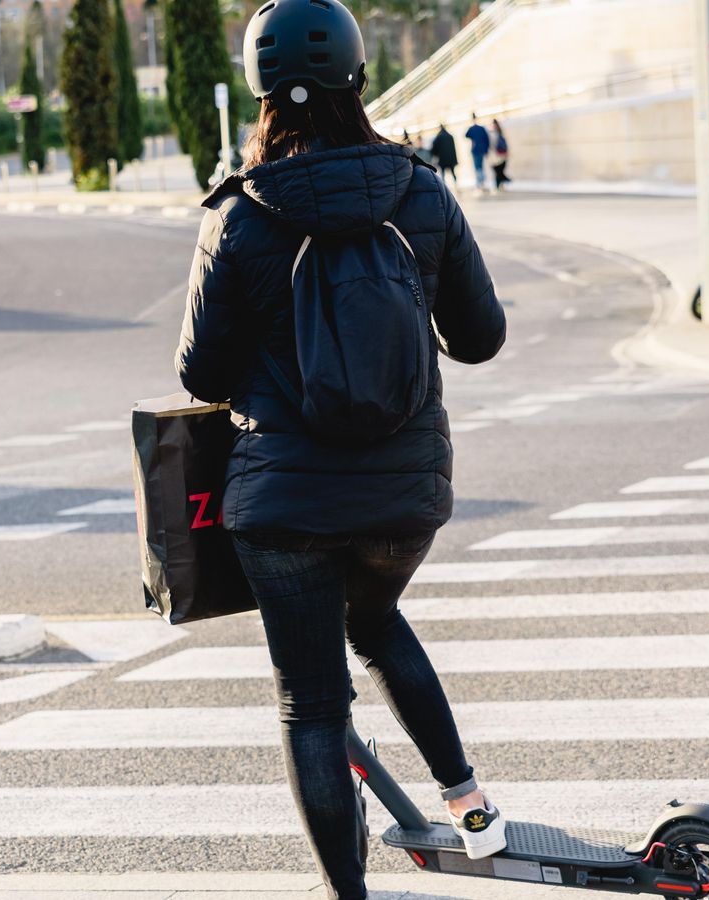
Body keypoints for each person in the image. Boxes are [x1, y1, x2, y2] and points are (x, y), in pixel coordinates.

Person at [176, 0, 508, 896]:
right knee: (377, 618)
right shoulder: (421, 191)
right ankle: (473, 809)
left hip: (281, 505)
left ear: (257, 90)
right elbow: (479, 339)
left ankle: (349, 895)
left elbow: (199, 374)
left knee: (312, 705)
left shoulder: (239, 215)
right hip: (405, 494)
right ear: (359, 78)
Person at [464, 114, 490, 191]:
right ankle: (481, 182)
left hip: (475, 150)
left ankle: (480, 182)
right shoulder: (481, 128)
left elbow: (466, 135)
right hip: (480, 150)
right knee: (480, 166)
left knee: (477, 166)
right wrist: (486, 150)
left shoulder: (472, 129)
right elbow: (486, 139)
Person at [490, 119, 510, 190]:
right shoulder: (497, 132)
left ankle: (500, 184)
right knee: (498, 171)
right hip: (498, 155)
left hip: (499, 155)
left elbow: (495, 144)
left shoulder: (495, 133)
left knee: (499, 171)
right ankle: (501, 184)